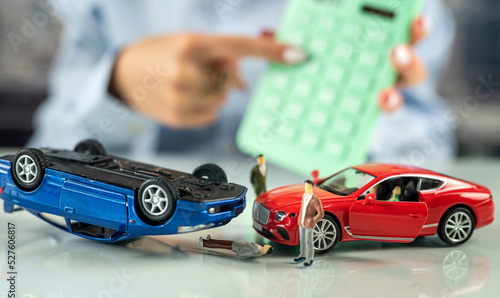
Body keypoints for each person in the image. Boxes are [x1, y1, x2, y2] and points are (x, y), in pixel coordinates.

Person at [28, 1, 456, 167]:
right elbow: (47, 158)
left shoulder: (407, 12)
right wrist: (119, 88)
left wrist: (360, 122)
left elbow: (433, 154)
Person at [294, 180, 324, 267]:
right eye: (305, 186)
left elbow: (321, 213)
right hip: (302, 221)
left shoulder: (315, 199)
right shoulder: (304, 195)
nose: (306, 188)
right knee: (302, 240)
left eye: (308, 187)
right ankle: (302, 255)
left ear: (311, 187)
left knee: (309, 241)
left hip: (309, 223)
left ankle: (310, 258)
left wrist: (313, 220)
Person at [200, 235, 273, 258]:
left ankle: (205, 243)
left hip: (237, 247)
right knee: (223, 242)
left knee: (222, 245)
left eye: (268, 247)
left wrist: (239, 255)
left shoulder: (257, 251)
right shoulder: (260, 249)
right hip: (238, 244)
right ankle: (210, 240)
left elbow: (247, 254)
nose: (267, 245)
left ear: (267, 250)